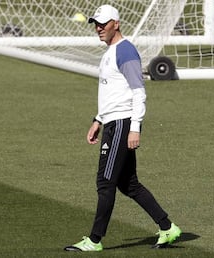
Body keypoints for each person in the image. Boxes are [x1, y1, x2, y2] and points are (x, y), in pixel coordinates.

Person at [64, 5, 181, 252]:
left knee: (105, 182)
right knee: (129, 184)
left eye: (103, 23)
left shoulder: (125, 51)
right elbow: (112, 91)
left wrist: (134, 128)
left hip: (121, 124)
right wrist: (97, 119)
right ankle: (167, 227)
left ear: (116, 23)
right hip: (112, 122)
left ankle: (94, 240)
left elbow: (138, 91)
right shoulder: (110, 51)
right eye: (96, 23)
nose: (99, 28)